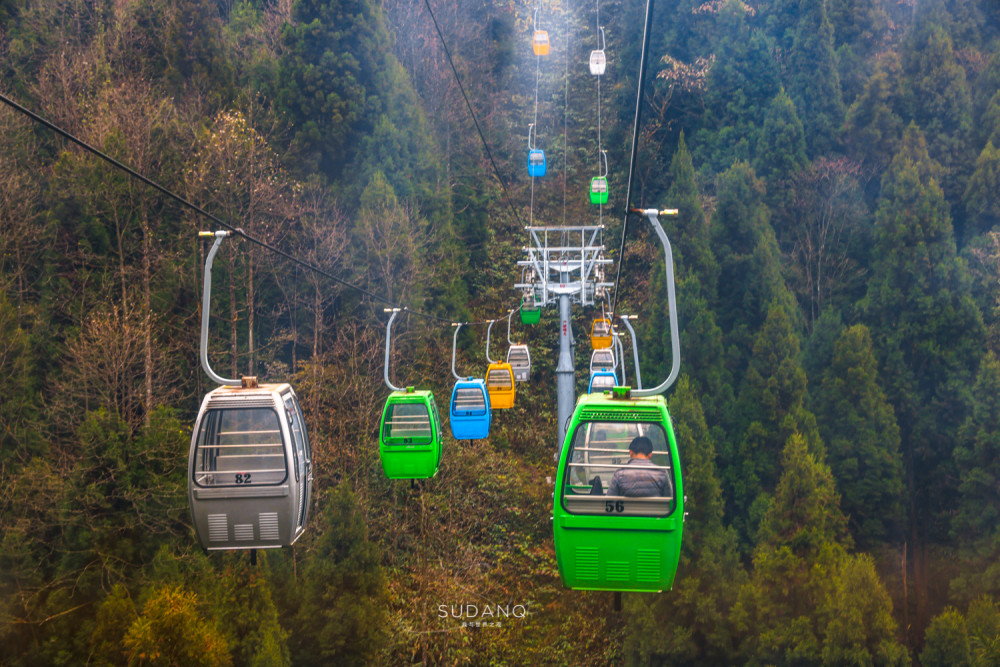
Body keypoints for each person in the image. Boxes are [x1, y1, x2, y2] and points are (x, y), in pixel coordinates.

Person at [606, 436, 671, 497]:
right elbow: (670, 499)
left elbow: (609, 500)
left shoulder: (619, 474)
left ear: (631, 452)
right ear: (650, 455)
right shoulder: (662, 474)